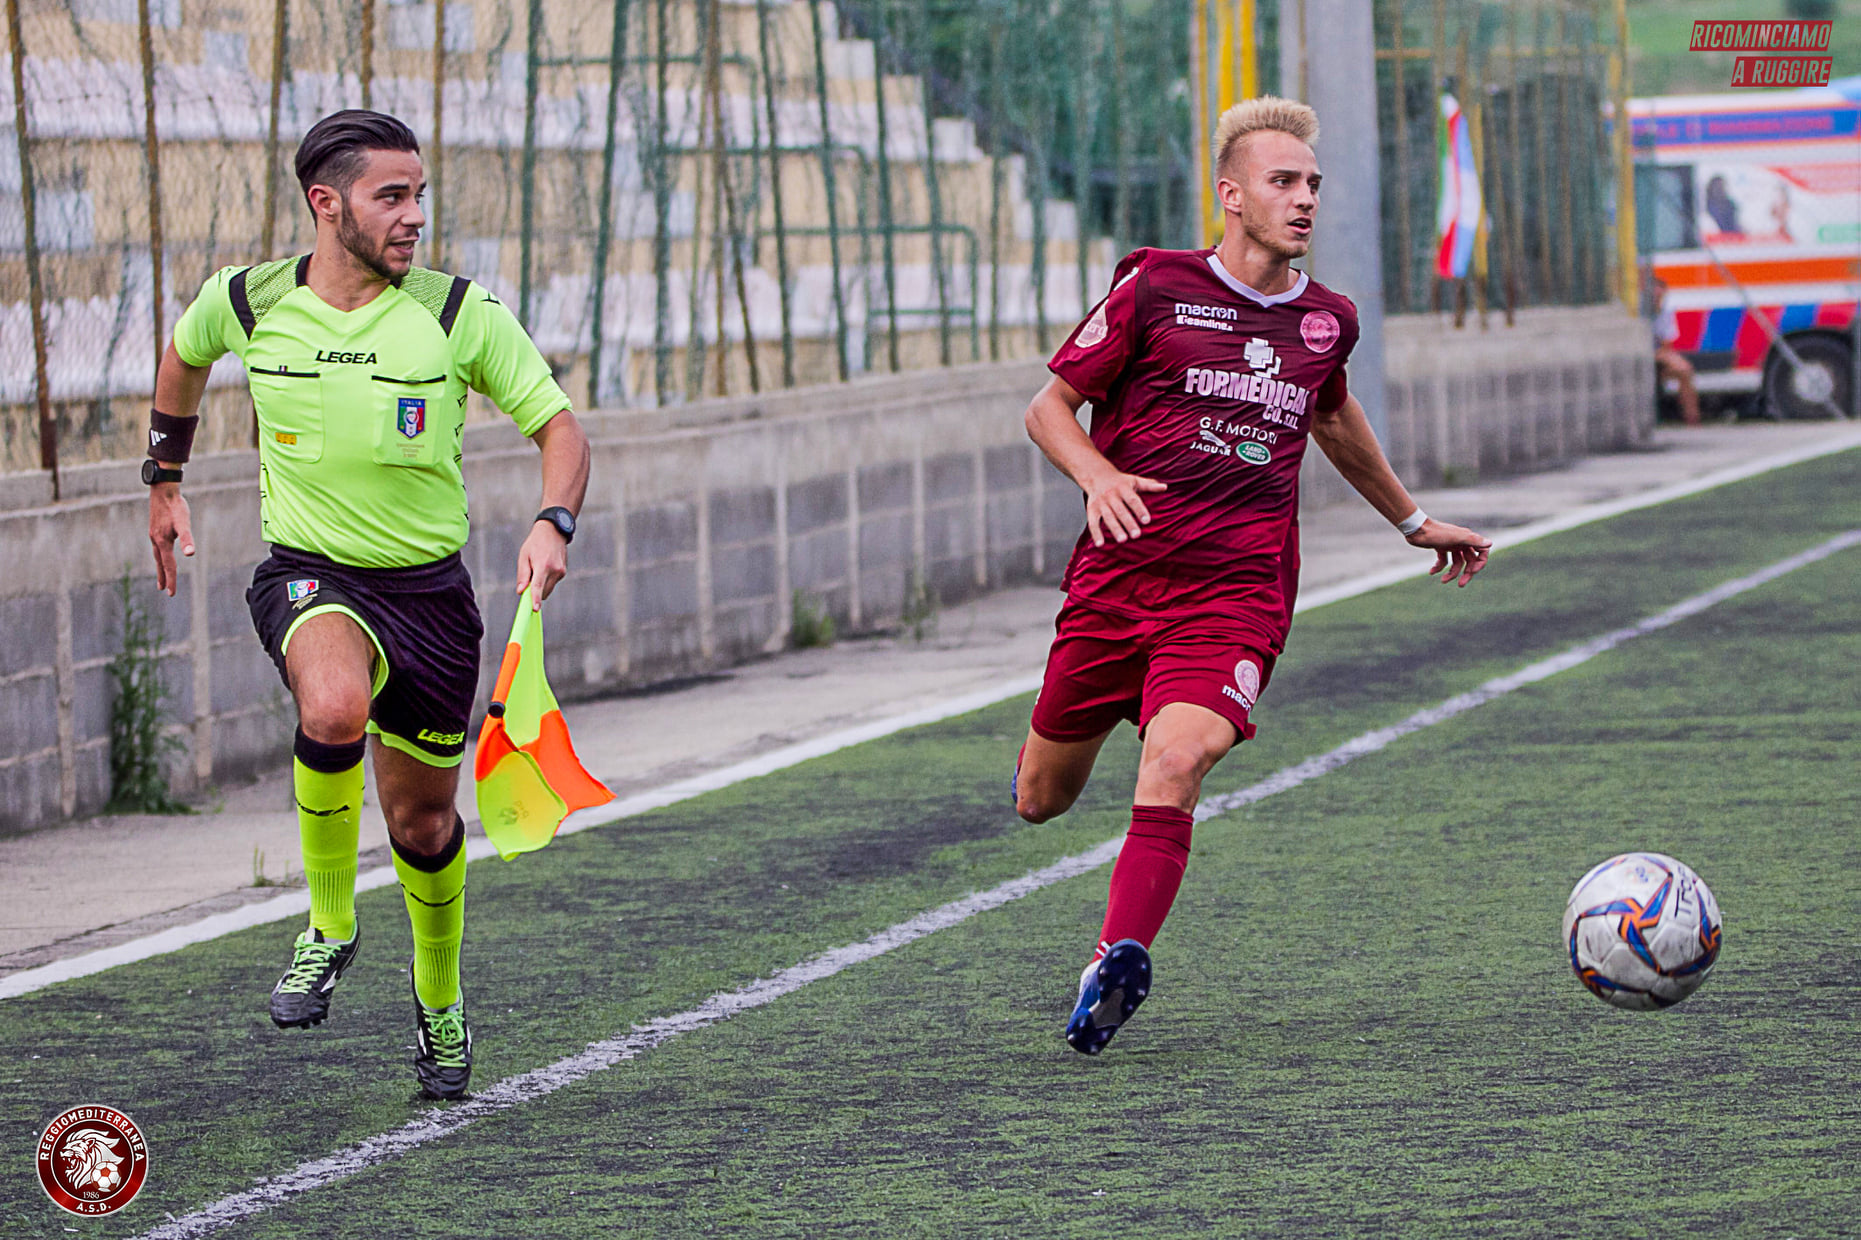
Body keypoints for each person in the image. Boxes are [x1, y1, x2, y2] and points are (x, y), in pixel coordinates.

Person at [1013, 97, 1492, 1055]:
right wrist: (1098, 474)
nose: (1304, 198)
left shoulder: (1327, 323)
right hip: (1114, 589)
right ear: (1230, 196)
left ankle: (1114, 962)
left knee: (1178, 760)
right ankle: (1107, 727)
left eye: (1313, 182)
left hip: (1232, 599)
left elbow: (1331, 418)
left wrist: (1410, 518)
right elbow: (1049, 408)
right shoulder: (1153, 287)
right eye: (1283, 181)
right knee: (1041, 798)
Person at [145, 110, 591, 1099]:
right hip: (311, 573)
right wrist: (162, 474)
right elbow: (183, 356)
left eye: (420, 194)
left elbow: (557, 424)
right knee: (333, 705)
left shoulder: (455, 313)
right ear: (326, 203)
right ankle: (331, 923)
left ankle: (438, 997)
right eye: (393, 196)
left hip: (430, 599)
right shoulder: (251, 302)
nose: (415, 216)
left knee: (426, 826)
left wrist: (553, 519)